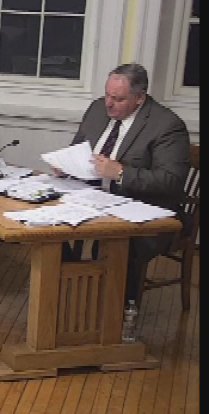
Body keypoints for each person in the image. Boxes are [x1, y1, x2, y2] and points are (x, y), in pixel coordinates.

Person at [62, 63, 190, 305]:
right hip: (91, 199)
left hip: (143, 209)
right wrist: (65, 164)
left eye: (118, 99)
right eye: (107, 95)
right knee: (48, 230)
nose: (108, 104)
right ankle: (71, 295)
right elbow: (77, 148)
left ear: (140, 98)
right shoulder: (97, 109)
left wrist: (121, 172)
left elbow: (171, 181)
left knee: (116, 244)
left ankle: (116, 312)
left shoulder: (167, 125)